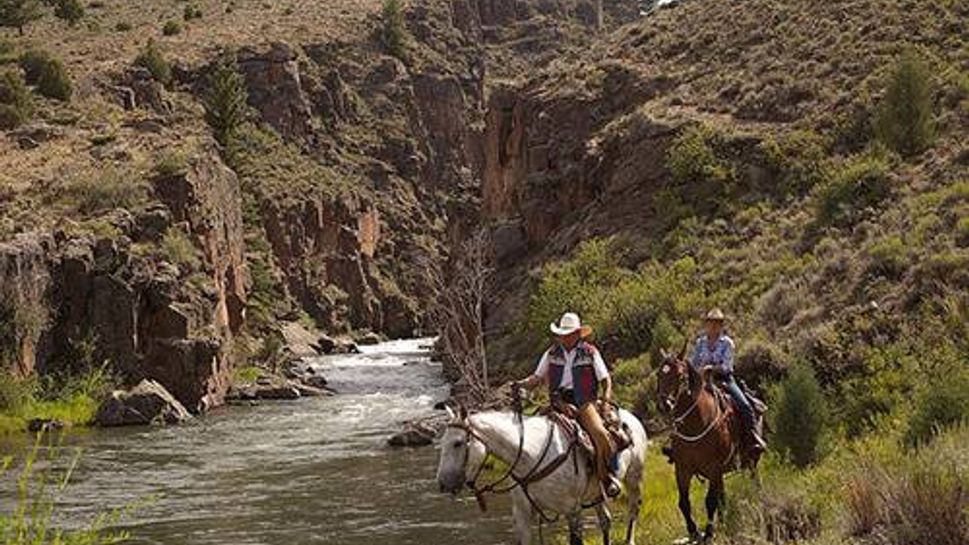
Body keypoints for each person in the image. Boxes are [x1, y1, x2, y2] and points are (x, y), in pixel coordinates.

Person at [517, 312, 622, 498]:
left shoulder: (590, 352)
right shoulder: (551, 353)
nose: (563, 337)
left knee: (600, 434)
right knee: (530, 436)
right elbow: (537, 378)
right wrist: (519, 384)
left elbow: (605, 380)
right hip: (557, 400)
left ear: (577, 334)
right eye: (562, 334)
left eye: (568, 333)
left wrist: (605, 401)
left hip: (583, 401)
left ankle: (605, 477)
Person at [690, 308, 766, 453]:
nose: (713, 326)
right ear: (706, 324)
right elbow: (693, 363)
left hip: (723, 380)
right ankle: (676, 442)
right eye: (711, 323)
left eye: (717, 323)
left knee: (744, 405)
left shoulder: (727, 343)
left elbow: (727, 366)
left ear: (721, 325)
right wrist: (696, 371)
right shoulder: (700, 343)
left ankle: (753, 438)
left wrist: (710, 368)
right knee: (683, 402)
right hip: (702, 382)